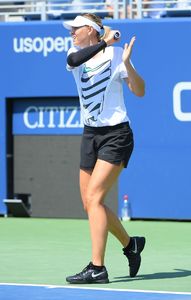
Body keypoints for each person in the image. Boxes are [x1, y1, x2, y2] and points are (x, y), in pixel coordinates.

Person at [63, 13, 145, 284]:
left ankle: (97, 268)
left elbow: (140, 91)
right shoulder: (75, 53)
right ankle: (130, 244)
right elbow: (74, 61)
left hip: (116, 134)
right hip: (90, 135)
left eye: (76, 28)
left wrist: (126, 64)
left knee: (95, 199)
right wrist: (105, 41)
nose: (72, 32)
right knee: (89, 203)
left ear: (91, 29)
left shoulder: (116, 55)